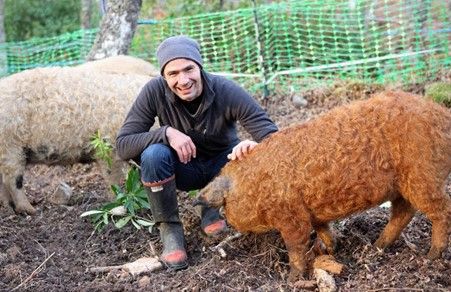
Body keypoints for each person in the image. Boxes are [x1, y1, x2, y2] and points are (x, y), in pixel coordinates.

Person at [116, 35, 278, 270]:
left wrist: (256, 147)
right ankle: (170, 230)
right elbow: (123, 145)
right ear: (163, 76)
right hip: (184, 169)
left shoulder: (225, 90)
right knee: (153, 154)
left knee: (244, 154)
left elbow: (272, 136)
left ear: (200, 67)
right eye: (173, 74)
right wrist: (166, 133)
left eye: (189, 69)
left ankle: (209, 204)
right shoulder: (154, 92)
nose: (183, 80)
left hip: (222, 170)